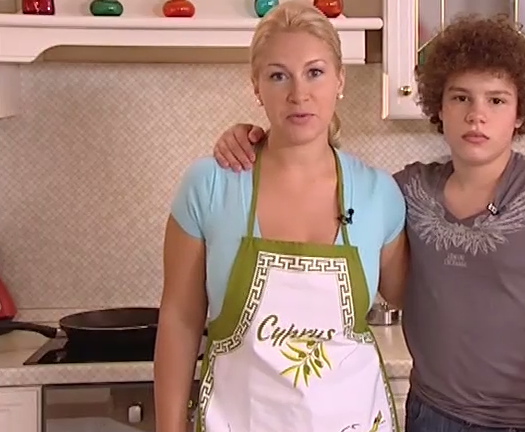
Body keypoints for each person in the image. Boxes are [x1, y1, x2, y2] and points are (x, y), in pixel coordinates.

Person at [209, 13, 525, 432]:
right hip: (430, 415)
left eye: (496, 100)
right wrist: (249, 137)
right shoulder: (406, 191)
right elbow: (321, 168)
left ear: (520, 112)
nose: (476, 115)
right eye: (460, 98)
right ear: (439, 107)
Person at [153, 2, 409, 432]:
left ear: (340, 80)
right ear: (256, 86)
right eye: (278, 76)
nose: (298, 94)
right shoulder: (210, 185)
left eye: (315, 72)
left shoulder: (378, 194)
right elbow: (179, 319)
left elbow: (414, 300)